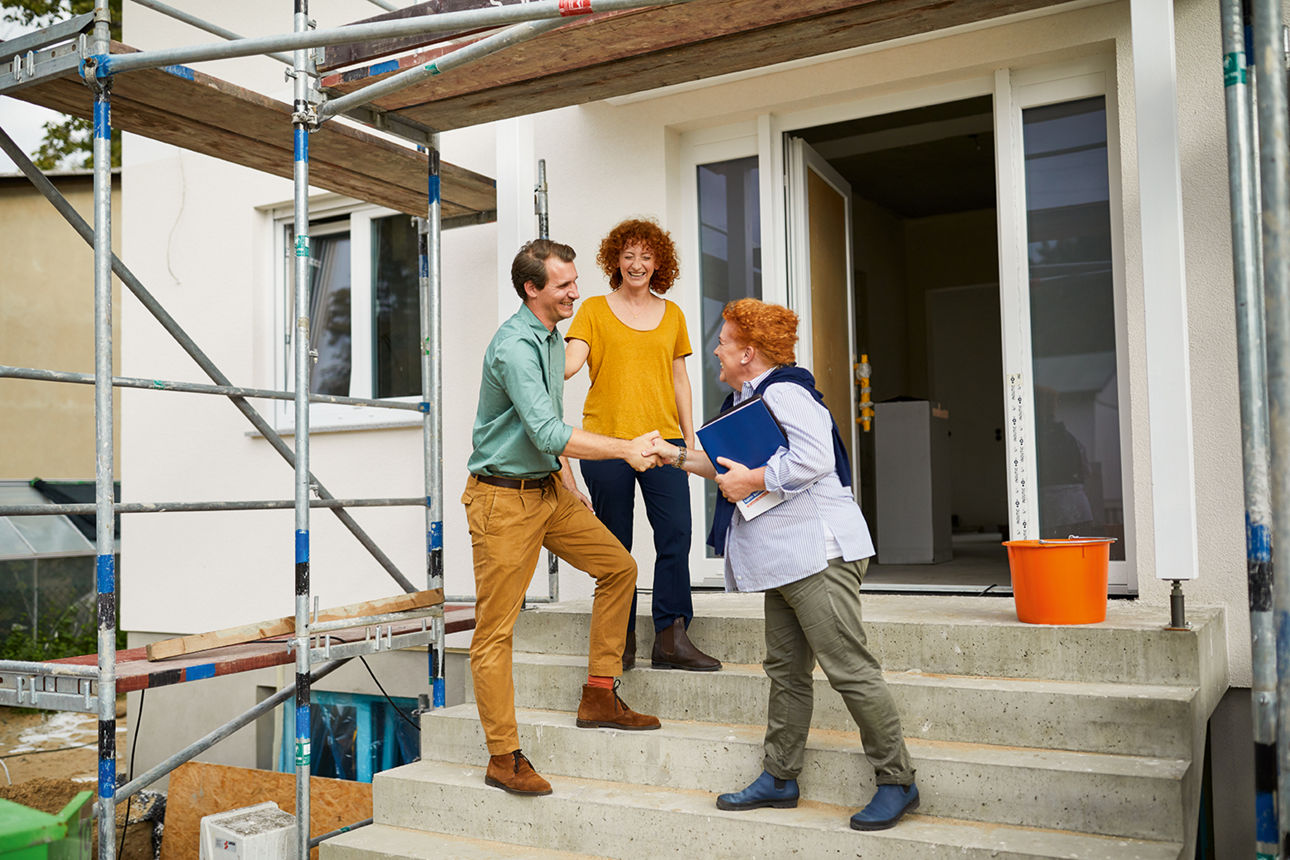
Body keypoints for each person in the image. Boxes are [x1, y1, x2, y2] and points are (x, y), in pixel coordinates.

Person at [646, 298, 920, 831]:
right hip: (785, 560)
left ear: (748, 352)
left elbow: (813, 458)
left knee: (850, 670)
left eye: (723, 342)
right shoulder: (744, 399)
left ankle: (898, 780)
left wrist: (754, 480)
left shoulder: (786, 392)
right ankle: (780, 776)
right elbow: (726, 464)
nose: (717, 350)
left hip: (819, 552)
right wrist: (673, 454)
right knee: (787, 673)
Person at [463, 238, 663, 798]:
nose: (577, 290)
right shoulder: (515, 347)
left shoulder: (552, 337)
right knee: (494, 633)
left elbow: (546, 425)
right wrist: (624, 448)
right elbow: (550, 431)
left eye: (575, 281)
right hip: (502, 501)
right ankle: (503, 757)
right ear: (532, 289)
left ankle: (600, 693)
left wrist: (566, 481)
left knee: (619, 567)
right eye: (564, 284)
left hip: (548, 489)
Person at [564, 218, 720, 672]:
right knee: (616, 545)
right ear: (616, 260)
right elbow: (572, 360)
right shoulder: (592, 308)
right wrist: (539, 364)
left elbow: (679, 378)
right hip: (607, 441)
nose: (637, 264)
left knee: (676, 535)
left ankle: (672, 638)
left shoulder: (672, 315)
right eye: (628, 255)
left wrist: (689, 439)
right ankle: (621, 640)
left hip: (664, 443)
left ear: (659, 264)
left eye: (646, 256)